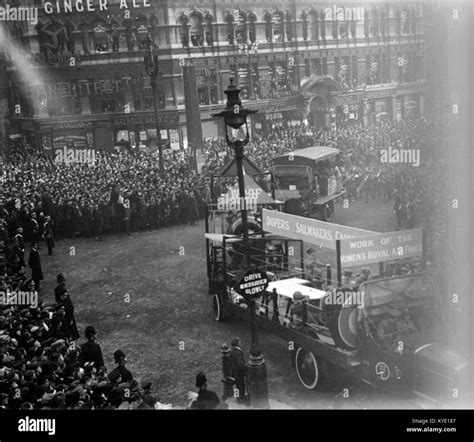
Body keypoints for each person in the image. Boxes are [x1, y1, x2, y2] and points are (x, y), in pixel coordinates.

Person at [229, 337, 248, 405]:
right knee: (241, 386)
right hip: (239, 373)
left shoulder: (232, 351)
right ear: (237, 343)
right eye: (239, 341)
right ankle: (241, 399)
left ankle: (237, 398)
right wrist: (246, 366)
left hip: (234, 372)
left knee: (236, 386)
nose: (240, 342)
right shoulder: (238, 352)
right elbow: (240, 364)